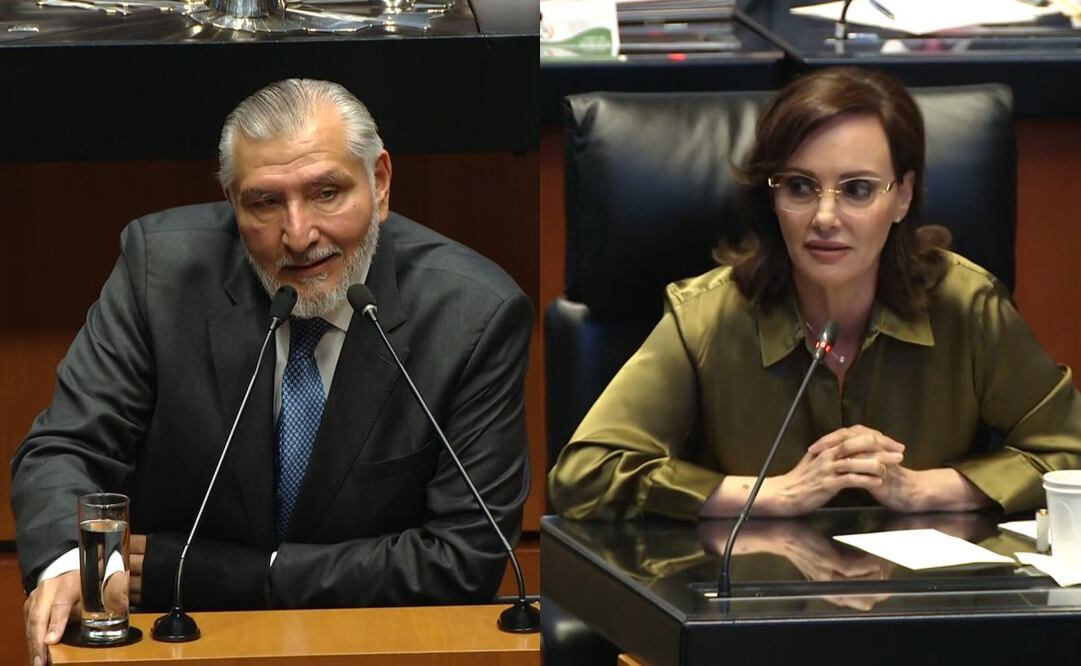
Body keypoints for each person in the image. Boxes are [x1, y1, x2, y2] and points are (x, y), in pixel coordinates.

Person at [14, 79, 532, 663]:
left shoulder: (473, 314)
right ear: (232, 202)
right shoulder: (158, 273)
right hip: (181, 647)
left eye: (327, 193)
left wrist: (223, 574)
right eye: (264, 202)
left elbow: (464, 560)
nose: (300, 234)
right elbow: (64, 447)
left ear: (380, 183)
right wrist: (69, 563)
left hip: (374, 646)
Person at [549, 67, 1081, 522]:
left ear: (904, 197)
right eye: (801, 187)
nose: (826, 218)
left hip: (927, 613)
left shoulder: (966, 307)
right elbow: (584, 474)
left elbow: (1069, 453)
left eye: (857, 190)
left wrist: (923, 489)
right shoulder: (710, 318)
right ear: (772, 196)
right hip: (752, 615)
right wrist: (771, 494)